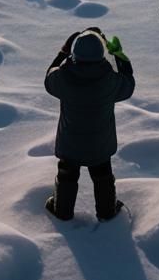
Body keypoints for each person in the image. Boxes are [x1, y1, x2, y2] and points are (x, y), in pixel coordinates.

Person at [43, 28, 135, 221]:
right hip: (100, 142)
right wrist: (119, 56)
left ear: (74, 54)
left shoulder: (64, 77)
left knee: (67, 174)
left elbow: (48, 78)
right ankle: (107, 211)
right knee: (103, 175)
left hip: (70, 142)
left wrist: (62, 52)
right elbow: (128, 85)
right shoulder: (109, 80)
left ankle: (62, 210)